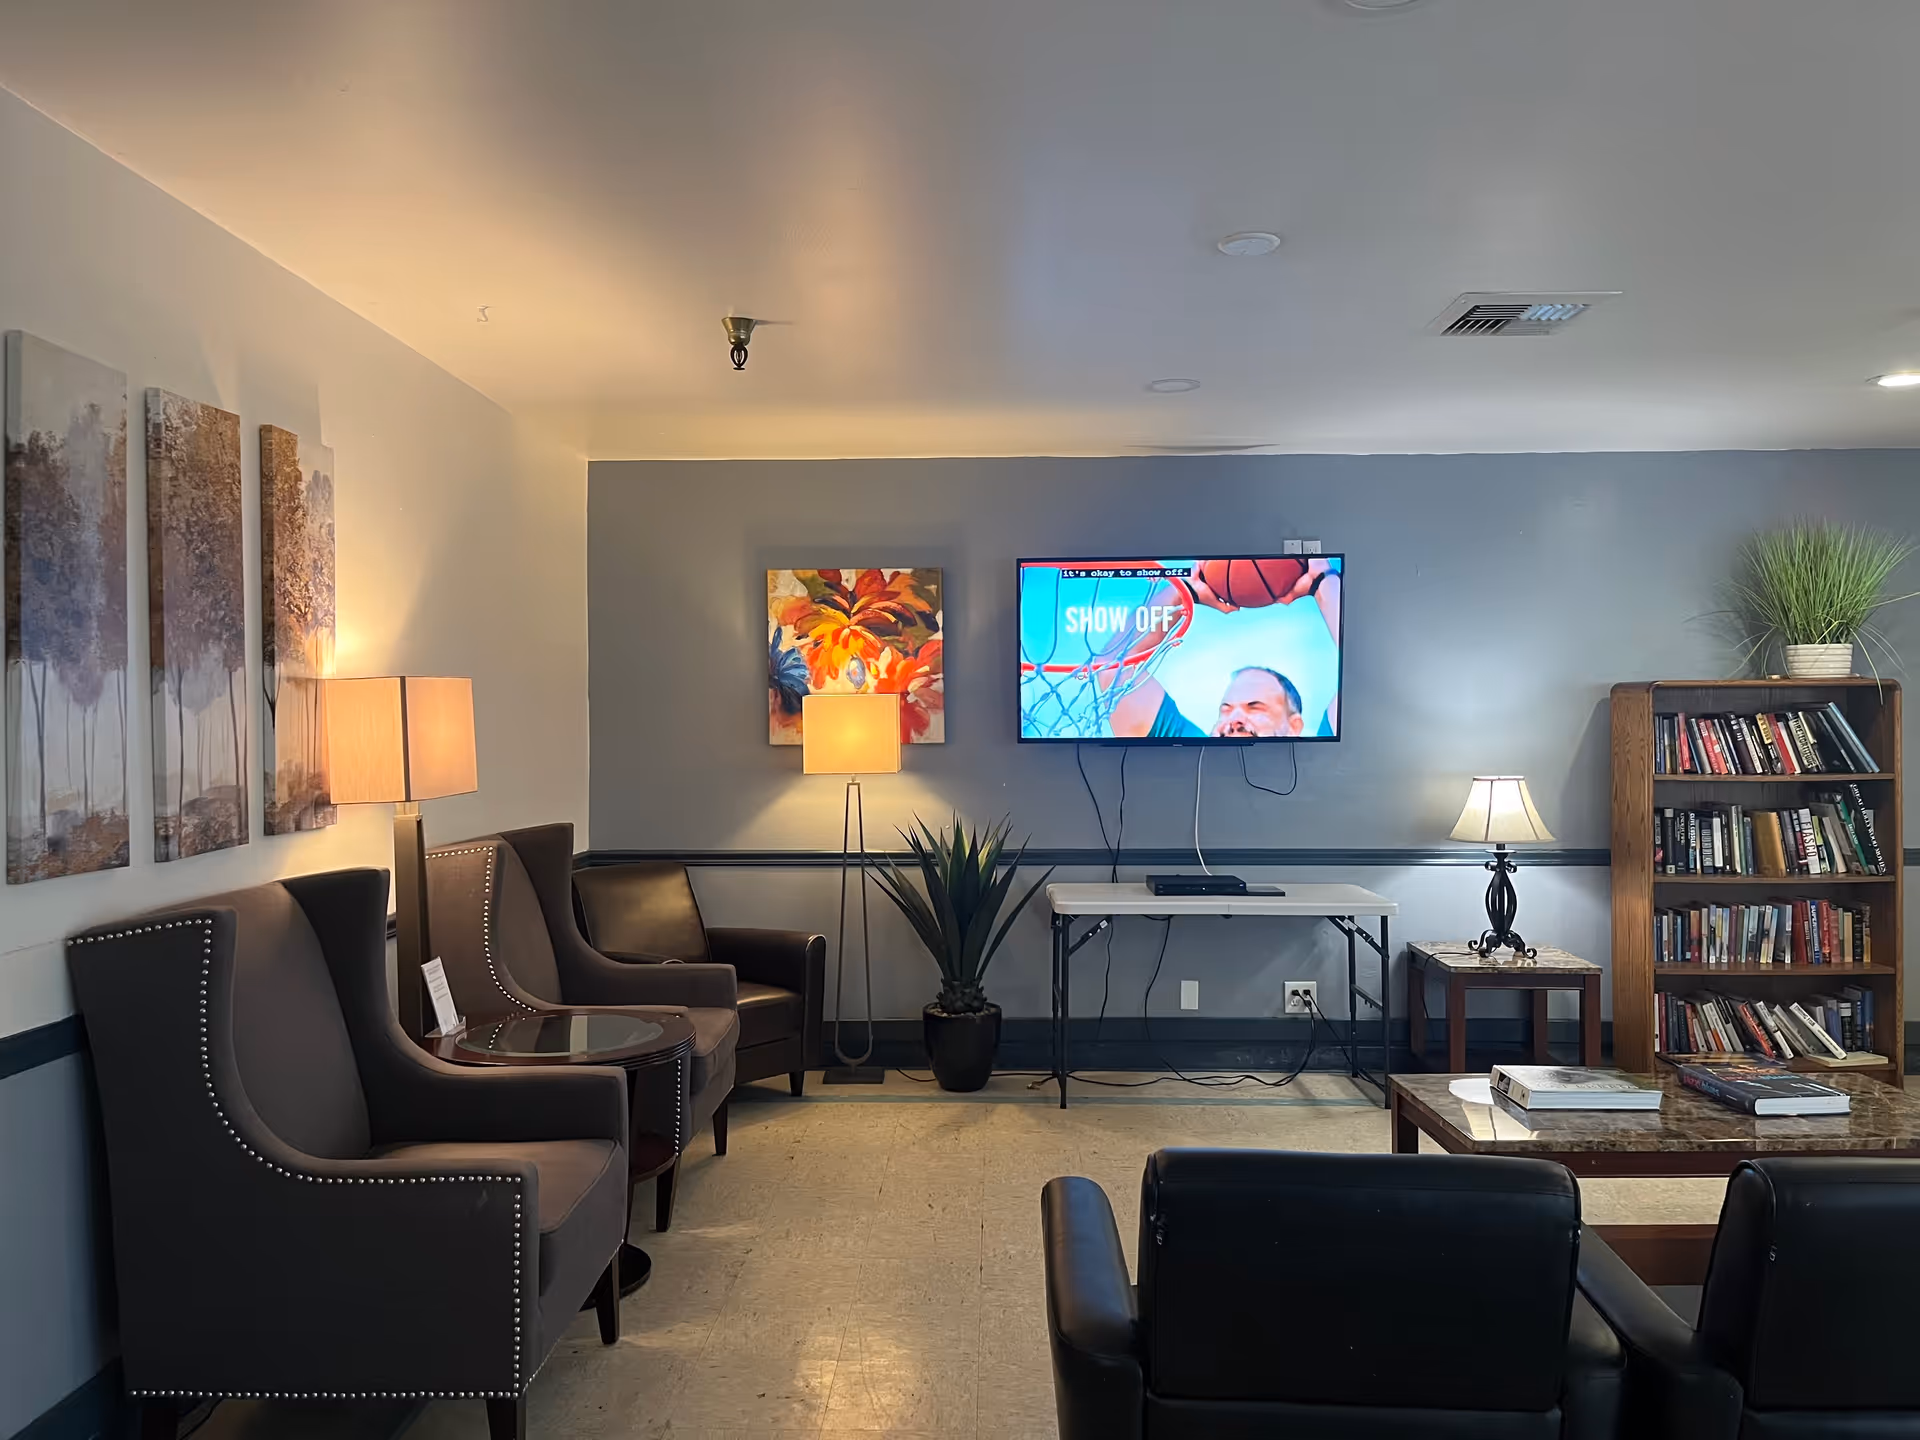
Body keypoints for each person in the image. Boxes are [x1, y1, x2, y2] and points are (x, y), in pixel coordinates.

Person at [1103, 558, 1340, 738]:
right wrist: (1183, 592)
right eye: (1225, 710)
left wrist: (1322, 581)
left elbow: (1365, 667)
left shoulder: (1320, 762)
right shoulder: (1193, 751)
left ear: (1294, 726)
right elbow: (1113, 668)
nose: (1234, 719)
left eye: (1255, 708)